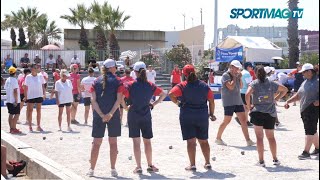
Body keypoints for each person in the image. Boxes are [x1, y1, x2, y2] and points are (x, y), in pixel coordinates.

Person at [121, 61, 166, 174]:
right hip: (146, 115)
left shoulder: (130, 84)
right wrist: (153, 104)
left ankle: (139, 166)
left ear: (135, 72)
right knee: (147, 142)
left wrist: (126, 107)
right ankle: (150, 165)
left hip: (133, 115)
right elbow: (163, 94)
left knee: (136, 142)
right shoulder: (150, 85)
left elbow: (121, 97)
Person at [168, 64, 216, 171]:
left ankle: (193, 165)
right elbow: (211, 101)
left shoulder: (182, 85)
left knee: (191, 141)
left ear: (184, 74)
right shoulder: (204, 85)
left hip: (187, 116)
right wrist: (211, 114)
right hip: (202, 116)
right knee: (204, 140)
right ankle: (207, 163)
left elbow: (171, 94)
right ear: (195, 72)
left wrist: (178, 103)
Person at [86, 59, 124, 177]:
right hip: (114, 115)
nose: (116, 69)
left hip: (98, 115)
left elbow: (93, 100)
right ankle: (113, 169)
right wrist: (110, 114)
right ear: (112, 68)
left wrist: (102, 115)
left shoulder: (95, 81)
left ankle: (91, 169)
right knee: (113, 143)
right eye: (115, 67)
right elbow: (119, 100)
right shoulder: (118, 81)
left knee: (96, 143)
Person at [245, 65, 288, 167]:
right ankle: (275, 159)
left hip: (257, 112)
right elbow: (285, 89)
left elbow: (247, 95)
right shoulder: (271, 83)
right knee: (271, 137)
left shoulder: (254, 83)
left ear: (255, 73)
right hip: (270, 113)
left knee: (259, 138)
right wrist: (276, 98)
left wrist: (249, 106)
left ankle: (261, 161)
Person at [215, 60, 255, 146]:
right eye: (236, 68)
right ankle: (218, 138)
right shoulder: (225, 75)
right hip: (228, 101)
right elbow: (230, 87)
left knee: (243, 120)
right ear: (231, 67)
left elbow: (240, 86)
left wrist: (239, 77)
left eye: (238, 68)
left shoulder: (236, 75)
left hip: (237, 100)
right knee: (226, 121)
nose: (237, 69)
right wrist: (234, 76)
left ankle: (248, 140)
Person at [284, 63, 319, 160]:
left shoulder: (317, 81)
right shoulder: (305, 82)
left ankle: (306, 152)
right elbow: (299, 95)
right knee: (312, 130)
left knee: (309, 131)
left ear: (309, 71)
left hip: (312, 109)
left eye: (303, 72)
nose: (302, 74)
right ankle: (317, 148)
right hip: (305, 109)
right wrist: (288, 101)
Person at [24, 64, 46, 132]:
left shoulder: (40, 76)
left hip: (39, 95)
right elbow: (25, 87)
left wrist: (44, 94)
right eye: (34, 68)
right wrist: (26, 96)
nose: (36, 69)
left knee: (39, 111)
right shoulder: (28, 77)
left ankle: (38, 126)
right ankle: (30, 126)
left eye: (37, 68)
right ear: (32, 69)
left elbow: (43, 85)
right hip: (31, 95)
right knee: (30, 111)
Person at [4, 67, 22, 134]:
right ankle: (14, 128)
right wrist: (16, 101)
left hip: (8, 100)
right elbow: (15, 91)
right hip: (14, 100)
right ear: (15, 73)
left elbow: (6, 88)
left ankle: (11, 128)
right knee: (17, 114)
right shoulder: (14, 80)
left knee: (11, 114)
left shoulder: (7, 79)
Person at [236, 62, 254, 127]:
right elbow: (250, 84)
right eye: (251, 67)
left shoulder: (242, 72)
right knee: (248, 107)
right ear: (248, 67)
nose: (252, 68)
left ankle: (245, 120)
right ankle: (243, 119)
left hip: (241, 92)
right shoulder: (247, 73)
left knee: (245, 108)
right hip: (246, 92)